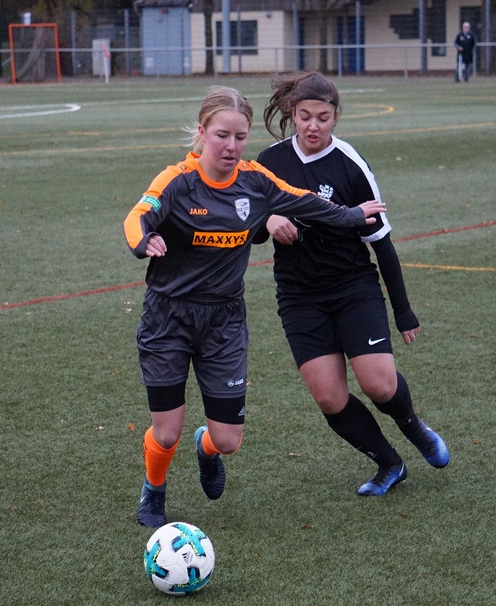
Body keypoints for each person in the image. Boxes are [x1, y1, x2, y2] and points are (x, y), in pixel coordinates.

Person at [123, 86, 386, 527]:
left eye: (240, 137)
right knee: (165, 433)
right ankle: (154, 491)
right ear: (203, 132)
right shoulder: (175, 180)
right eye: (222, 135)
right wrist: (143, 240)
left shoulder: (255, 181)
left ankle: (205, 447)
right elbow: (136, 217)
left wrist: (352, 216)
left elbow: (305, 201)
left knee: (228, 441)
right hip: (167, 317)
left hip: (223, 322)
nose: (231, 146)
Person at [256, 72, 449, 497]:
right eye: (305, 116)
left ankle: (413, 427)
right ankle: (389, 463)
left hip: (352, 289)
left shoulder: (350, 164)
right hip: (299, 296)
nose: (312, 126)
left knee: (378, 383)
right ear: (293, 113)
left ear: (336, 117)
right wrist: (267, 219)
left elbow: (381, 243)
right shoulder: (269, 162)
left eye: (322, 118)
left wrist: (403, 310)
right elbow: (247, 224)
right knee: (329, 397)